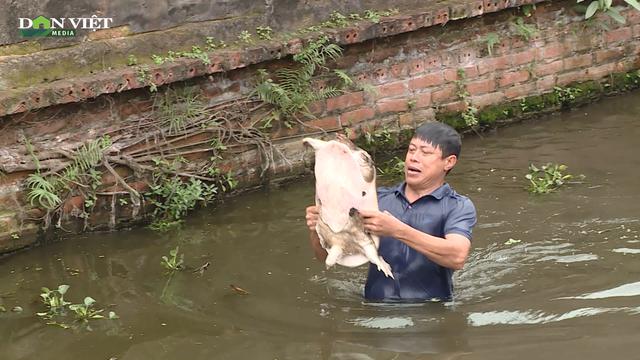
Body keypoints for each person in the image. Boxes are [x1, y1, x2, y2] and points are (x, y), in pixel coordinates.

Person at [305, 121, 477, 302]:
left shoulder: (457, 206)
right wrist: (320, 228)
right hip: (374, 311)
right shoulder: (377, 200)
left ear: (448, 162)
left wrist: (397, 230)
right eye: (411, 150)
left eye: (425, 153)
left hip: (432, 311)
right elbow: (322, 255)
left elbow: (457, 256)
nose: (413, 158)